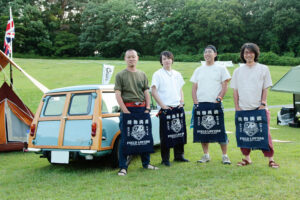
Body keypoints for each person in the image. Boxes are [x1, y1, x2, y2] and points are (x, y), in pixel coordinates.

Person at [231, 43, 279, 168]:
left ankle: (271, 160)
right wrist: (237, 106)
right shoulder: (237, 71)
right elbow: (235, 90)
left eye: (251, 52)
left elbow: (265, 87)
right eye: (246, 52)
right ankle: (246, 159)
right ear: (243, 55)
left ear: (255, 53)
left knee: (265, 134)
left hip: (259, 108)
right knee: (243, 134)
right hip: (243, 108)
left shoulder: (263, 68)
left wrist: (263, 103)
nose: (248, 55)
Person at [114, 49, 158, 176]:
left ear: (137, 58)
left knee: (145, 137)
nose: (131, 59)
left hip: (142, 109)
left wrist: (148, 107)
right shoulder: (120, 75)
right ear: (125, 59)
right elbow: (118, 94)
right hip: (128, 109)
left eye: (133, 57)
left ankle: (146, 163)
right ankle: (123, 167)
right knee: (125, 138)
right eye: (129, 57)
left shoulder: (142, 74)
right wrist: (125, 110)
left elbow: (146, 92)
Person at [190, 45, 231, 164]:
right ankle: (206, 155)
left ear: (215, 54)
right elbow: (194, 87)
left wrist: (219, 98)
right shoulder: (199, 69)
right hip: (201, 103)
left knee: (220, 130)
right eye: (205, 52)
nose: (207, 54)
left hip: (215, 103)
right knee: (203, 130)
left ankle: (225, 156)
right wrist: (195, 102)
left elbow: (225, 85)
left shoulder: (221, 68)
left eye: (210, 52)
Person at [151, 51, 189, 167]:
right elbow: (153, 90)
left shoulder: (177, 74)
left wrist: (181, 102)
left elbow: (180, 89)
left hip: (177, 107)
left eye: (168, 58)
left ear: (172, 59)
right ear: (161, 61)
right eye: (164, 59)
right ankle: (165, 159)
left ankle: (179, 155)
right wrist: (162, 106)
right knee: (166, 135)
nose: (167, 61)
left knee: (179, 132)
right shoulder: (157, 74)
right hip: (166, 108)